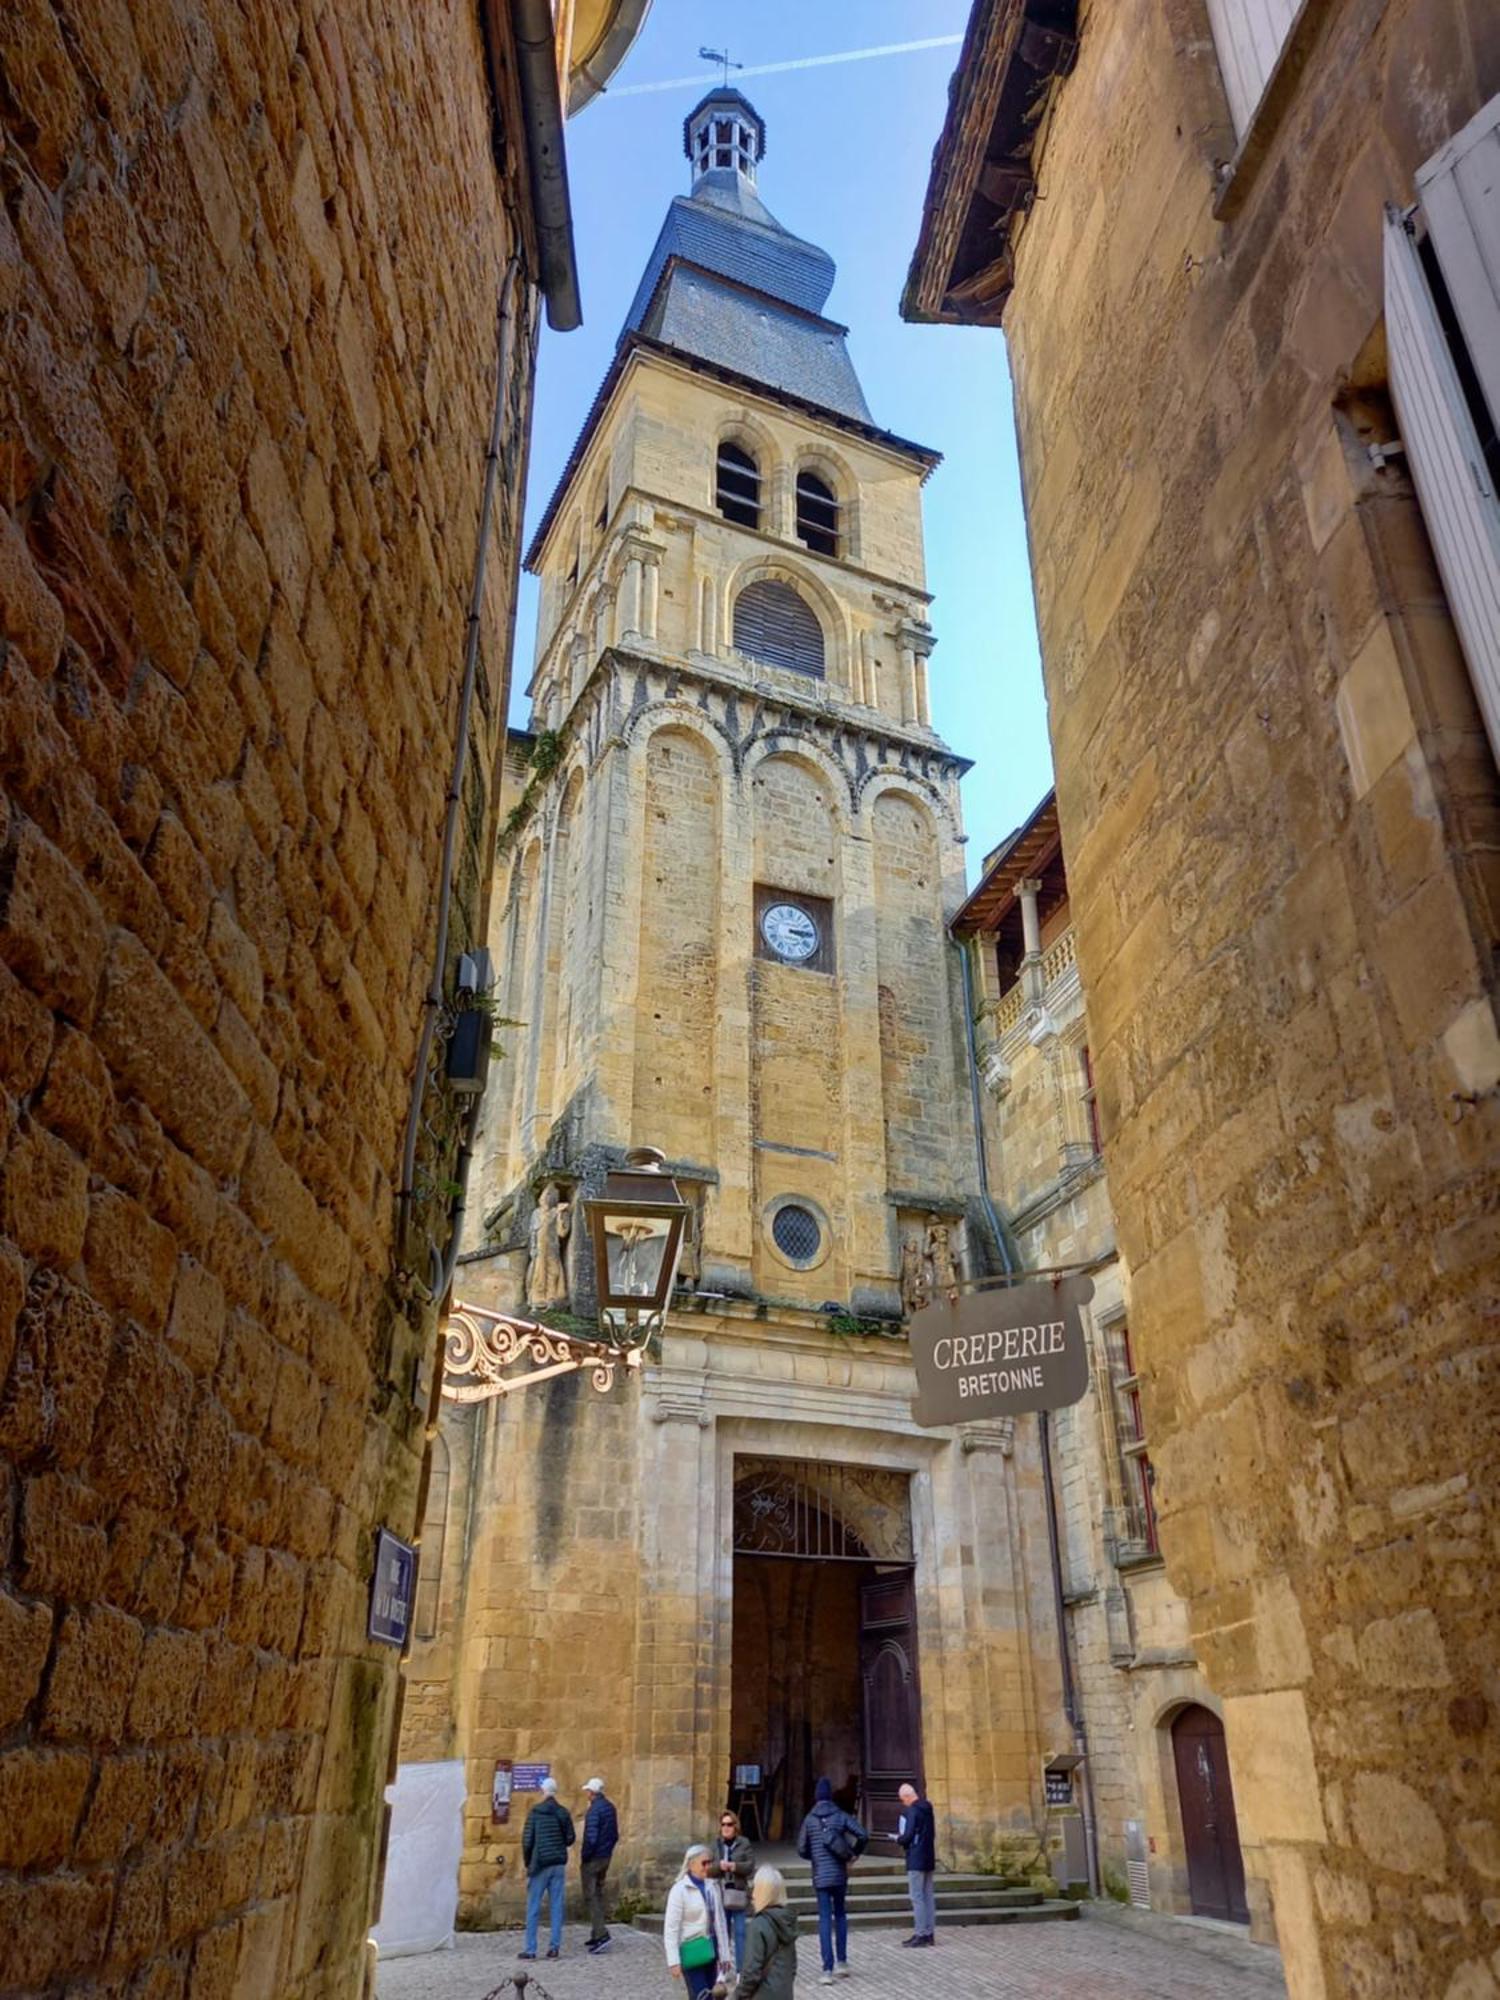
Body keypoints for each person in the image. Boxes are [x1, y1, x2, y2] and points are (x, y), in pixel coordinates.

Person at [796, 1777, 867, 1985]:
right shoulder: (840, 1816)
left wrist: (815, 1856)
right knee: (841, 1915)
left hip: (820, 1875)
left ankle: (827, 1969)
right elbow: (863, 1834)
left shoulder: (809, 1819)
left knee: (825, 1919)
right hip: (838, 1873)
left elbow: (801, 1848)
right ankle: (842, 1963)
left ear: (817, 1797)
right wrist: (853, 1854)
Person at [663, 1844, 735, 1998]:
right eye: (704, 1863)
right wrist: (673, 1960)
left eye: (710, 1862)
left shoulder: (713, 1886)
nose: (707, 1866)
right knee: (700, 1995)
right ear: (691, 1864)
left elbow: (720, 1922)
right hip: (692, 1950)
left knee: (713, 1994)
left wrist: (725, 1954)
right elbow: (671, 1928)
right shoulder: (679, 1890)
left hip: (712, 1949)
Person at [518, 1776, 574, 1961]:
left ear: (543, 1792)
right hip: (558, 1863)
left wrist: (528, 1862)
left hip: (540, 1863)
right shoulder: (563, 1812)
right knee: (556, 1906)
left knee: (533, 1906)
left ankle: (531, 1949)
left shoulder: (535, 1813)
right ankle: (554, 1948)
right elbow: (570, 1838)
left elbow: (527, 1841)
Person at [738, 1865, 799, 1999]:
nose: (752, 1894)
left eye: (755, 1888)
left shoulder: (758, 1925)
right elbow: (792, 1965)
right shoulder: (788, 1921)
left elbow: (751, 1972)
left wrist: (737, 1996)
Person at [579, 1777, 619, 1955]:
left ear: (592, 1793)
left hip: (594, 1858)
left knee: (591, 1895)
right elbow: (614, 1835)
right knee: (598, 1893)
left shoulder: (594, 1811)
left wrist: (586, 1856)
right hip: (605, 1856)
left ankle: (601, 1933)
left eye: (588, 1791)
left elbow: (591, 1837)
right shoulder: (610, 1807)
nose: (587, 1794)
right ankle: (596, 1932)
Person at [711, 1808, 756, 1967]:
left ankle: (740, 1970)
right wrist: (719, 1866)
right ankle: (722, 1969)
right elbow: (708, 1868)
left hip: (737, 1893)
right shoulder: (716, 1844)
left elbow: (750, 1866)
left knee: (740, 1933)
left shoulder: (744, 1843)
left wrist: (734, 1866)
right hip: (721, 1893)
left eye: (729, 1824)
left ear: (735, 1826)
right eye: (723, 1824)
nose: (726, 1827)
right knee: (722, 1934)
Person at [896, 1781, 937, 1947]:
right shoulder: (928, 1809)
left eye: (902, 1799)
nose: (903, 1803)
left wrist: (899, 1839)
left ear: (907, 1796)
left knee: (917, 1897)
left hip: (915, 1858)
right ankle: (929, 1933)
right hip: (928, 1856)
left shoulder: (912, 1811)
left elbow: (907, 1835)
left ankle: (920, 1934)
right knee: (928, 1896)